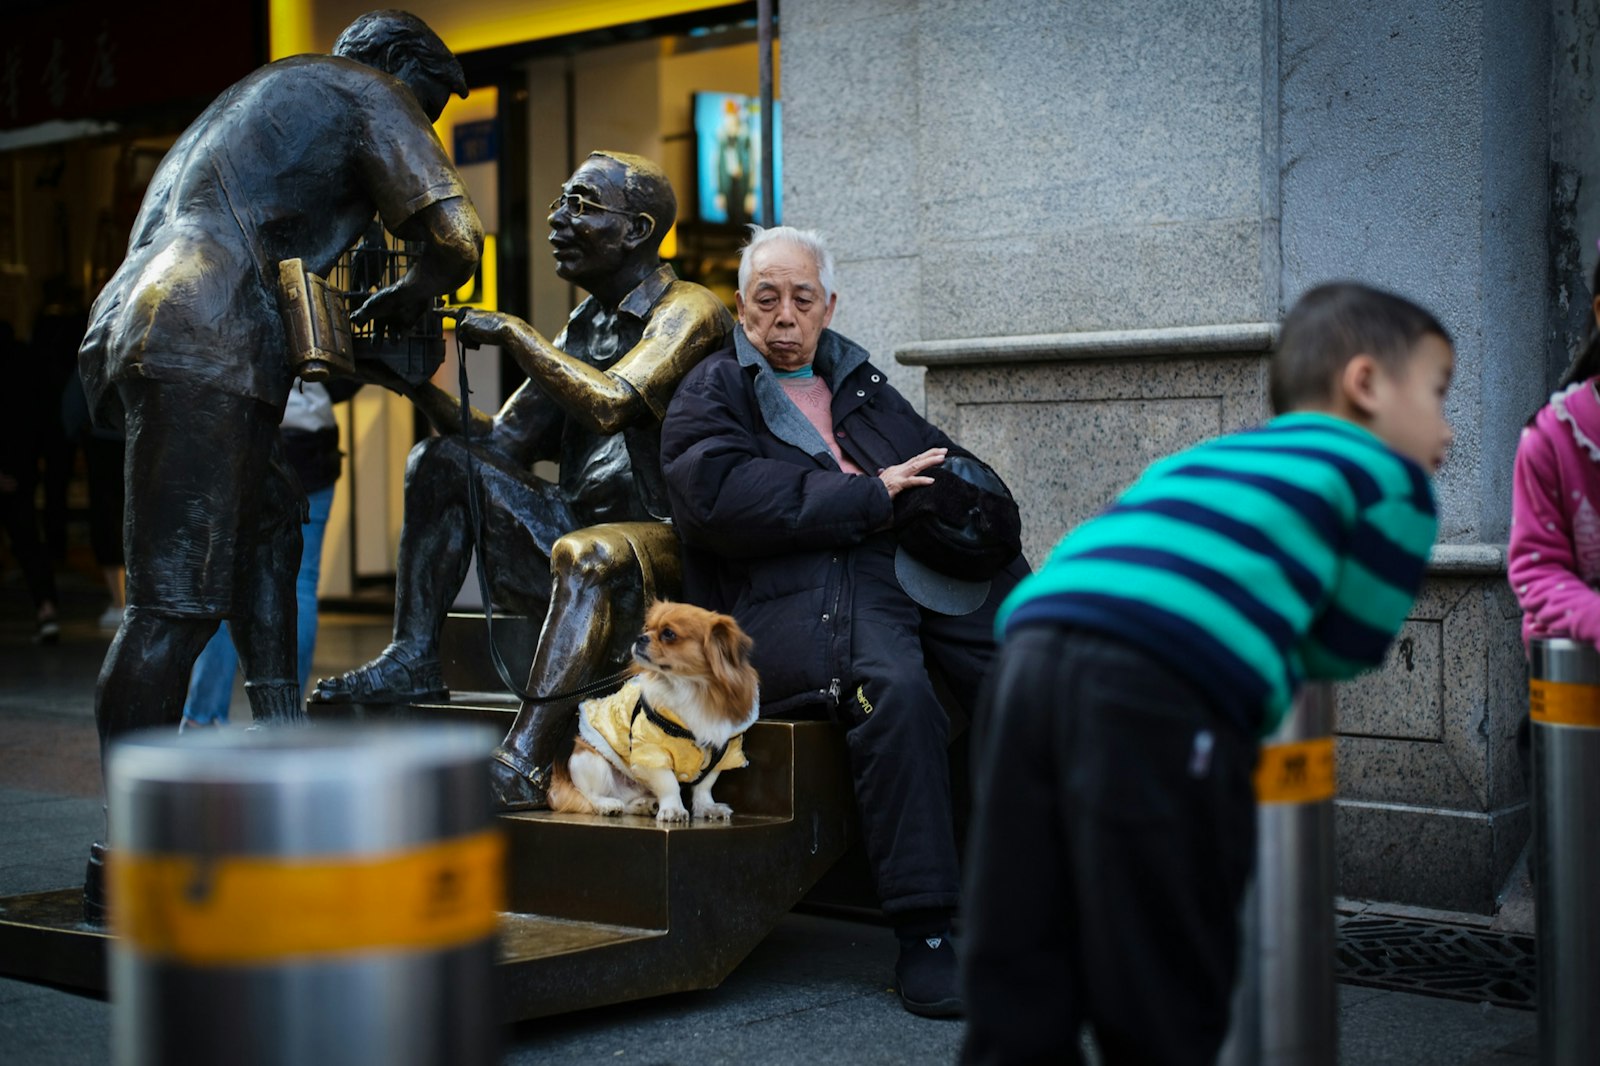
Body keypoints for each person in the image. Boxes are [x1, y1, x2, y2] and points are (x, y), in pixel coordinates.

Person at [959, 282, 1454, 1065]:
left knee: (1023, 948)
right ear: (1366, 384)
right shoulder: (1387, 477)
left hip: (1026, 652)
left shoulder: (1212, 456)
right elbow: (1347, 644)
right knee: (1159, 966)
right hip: (1156, 688)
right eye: (1438, 394)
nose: (1448, 430)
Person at [76, 10, 482, 919]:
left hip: (155, 314)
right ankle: (129, 850)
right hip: (205, 328)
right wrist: (410, 291)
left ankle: (282, 751)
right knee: (172, 609)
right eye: (431, 104)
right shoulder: (367, 89)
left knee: (269, 526)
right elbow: (459, 240)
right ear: (400, 67)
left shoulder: (259, 96)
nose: (425, 126)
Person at [659, 225, 1028, 1018]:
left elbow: (938, 463)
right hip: (792, 596)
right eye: (767, 300)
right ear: (741, 309)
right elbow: (718, 496)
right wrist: (869, 496)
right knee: (894, 691)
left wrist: (977, 515)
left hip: (907, 576)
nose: (785, 317)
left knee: (1028, 672)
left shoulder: (862, 385)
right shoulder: (712, 388)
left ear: (829, 307)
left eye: (802, 299)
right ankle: (927, 933)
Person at [310, 151, 733, 812]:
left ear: (637, 231)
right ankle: (413, 655)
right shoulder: (585, 325)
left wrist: (513, 333)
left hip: (664, 555)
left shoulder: (690, 312)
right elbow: (503, 442)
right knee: (442, 462)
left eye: (583, 206)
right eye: (562, 201)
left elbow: (613, 401)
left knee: (589, 552)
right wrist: (411, 383)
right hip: (579, 538)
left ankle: (524, 763)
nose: (557, 219)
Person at [180, 380, 356, 730]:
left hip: (241, 433)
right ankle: (284, 716)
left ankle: (205, 714)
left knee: (226, 582)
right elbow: (348, 370)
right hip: (310, 443)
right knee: (301, 583)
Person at [0, 320, 60, 644]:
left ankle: (47, 609)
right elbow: (39, 417)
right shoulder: (25, 361)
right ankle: (47, 609)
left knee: (26, 541)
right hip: (21, 467)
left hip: (15, 466)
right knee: (28, 542)